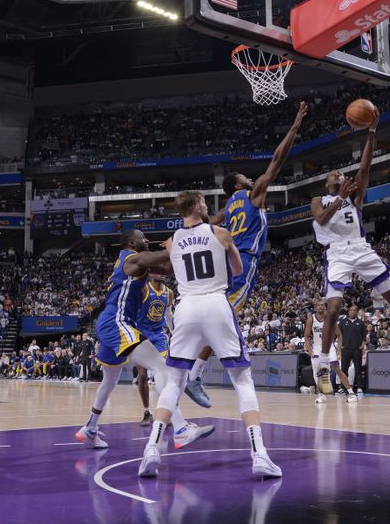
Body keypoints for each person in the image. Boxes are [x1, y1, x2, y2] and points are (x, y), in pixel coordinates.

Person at [139, 190, 281, 479]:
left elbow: (167, 267)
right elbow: (238, 269)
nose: (207, 205)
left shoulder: (172, 240)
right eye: (204, 202)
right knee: (242, 378)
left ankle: (152, 449)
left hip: (186, 308)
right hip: (216, 303)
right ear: (198, 206)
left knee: (174, 381)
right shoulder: (221, 232)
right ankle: (259, 454)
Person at [183, 102, 309, 408]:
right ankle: (195, 373)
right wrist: (294, 126)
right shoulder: (252, 196)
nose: (252, 180)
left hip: (221, 262)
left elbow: (205, 223)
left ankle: (191, 366)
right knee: (224, 317)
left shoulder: (227, 209)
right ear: (239, 184)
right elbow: (277, 161)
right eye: (246, 178)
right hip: (243, 262)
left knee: (217, 314)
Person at [310, 111, 390, 387]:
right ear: (329, 183)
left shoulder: (354, 197)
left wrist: (372, 132)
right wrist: (339, 198)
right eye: (334, 173)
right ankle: (322, 364)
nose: (339, 173)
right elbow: (320, 218)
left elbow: (365, 167)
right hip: (338, 252)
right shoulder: (319, 198)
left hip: (362, 249)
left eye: (341, 173)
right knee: (333, 309)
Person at [75, 229, 212, 450]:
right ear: (131, 242)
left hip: (112, 322)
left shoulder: (139, 264)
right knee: (161, 367)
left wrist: (192, 253)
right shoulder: (131, 257)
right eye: (142, 238)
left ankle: (89, 428)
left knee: (109, 380)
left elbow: (167, 268)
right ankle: (181, 429)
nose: (147, 240)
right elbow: (158, 258)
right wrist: (177, 243)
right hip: (117, 321)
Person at [135, 273, 174, 426]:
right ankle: (147, 412)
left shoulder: (169, 293)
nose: (162, 273)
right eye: (158, 270)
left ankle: (165, 411)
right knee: (143, 374)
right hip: (142, 333)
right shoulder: (144, 289)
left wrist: (174, 332)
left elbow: (168, 315)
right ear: (150, 273)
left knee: (165, 372)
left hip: (158, 334)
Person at [303, 300, 357, 404]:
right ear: (315, 307)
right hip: (317, 348)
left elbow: (339, 335)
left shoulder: (330, 319)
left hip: (329, 348)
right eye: (318, 305)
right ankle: (321, 394)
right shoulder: (311, 319)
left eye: (322, 305)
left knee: (337, 369)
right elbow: (306, 335)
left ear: (325, 307)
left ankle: (351, 393)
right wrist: (309, 350)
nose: (320, 306)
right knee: (317, 372)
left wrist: (338, 350)